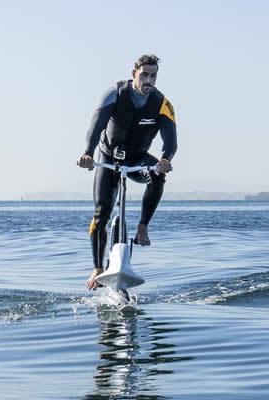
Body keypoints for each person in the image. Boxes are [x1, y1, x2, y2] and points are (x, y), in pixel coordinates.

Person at [77, 54, 178, 290]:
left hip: (137, 159)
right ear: (134, 74)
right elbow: (96, 125)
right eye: (144, 75)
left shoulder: (162, 103)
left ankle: (142, 227)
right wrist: (88, 153)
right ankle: (97, 268)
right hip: (108, 157)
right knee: (101, 212)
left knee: (157, 176)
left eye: (153, 76)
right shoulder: (115, 93)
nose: (149, 80)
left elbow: (170, 140)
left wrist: (165, 159)